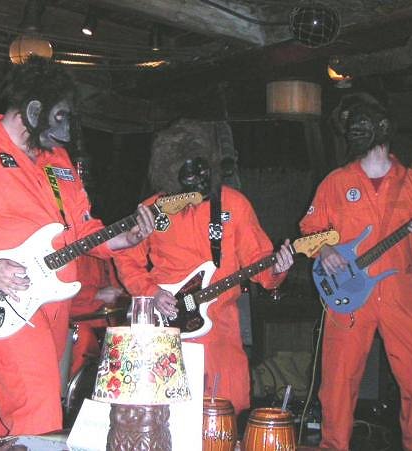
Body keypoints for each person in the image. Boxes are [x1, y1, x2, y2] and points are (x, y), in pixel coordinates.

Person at [0, 56, 154, 442]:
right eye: (60, 117)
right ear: (34, 110)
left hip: (53, 301)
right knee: (37, 409)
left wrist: (122, 240)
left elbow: (81, 229)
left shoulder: (57, 160)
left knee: (9, 411)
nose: (67, 131)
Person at [299, 93, 412, 451]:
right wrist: (325, 250)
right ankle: (333, 446)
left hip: (401, 288)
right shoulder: (335, 182)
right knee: (338, 381)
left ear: (383, 127)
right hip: (348, 291)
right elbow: (309, 230)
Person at [113, 119, 294, 415]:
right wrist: (151, 293)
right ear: (171, 177)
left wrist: (277, 269)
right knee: (166, 413)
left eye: (203, 170)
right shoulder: (153, 209)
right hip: (165, 328)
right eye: (189, 174)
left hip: (221, 330)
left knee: (227, 409)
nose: (199, 180)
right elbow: (126, 259)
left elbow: (260, 263)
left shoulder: (234, 205)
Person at [69, 255, 127, 376]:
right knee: (84, 339)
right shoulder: (70, 251)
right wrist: (97, 294)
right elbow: (58, 292)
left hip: (105, 320)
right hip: (75, 321)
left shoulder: (105, 254)